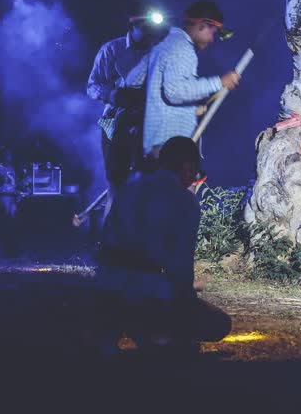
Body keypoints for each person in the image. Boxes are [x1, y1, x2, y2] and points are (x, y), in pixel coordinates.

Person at [96, 136, 231, 351]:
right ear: (187, 168)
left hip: (107, 288)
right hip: (148, 294)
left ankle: (118, 331)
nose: (193, 181)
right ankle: (160, 337)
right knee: (219, 323)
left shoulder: (129, 189)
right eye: (194, 174)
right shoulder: (184, 201)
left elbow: (106, 240)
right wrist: (187, 299)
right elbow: (181, 266)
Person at [123, 0, 240, 159]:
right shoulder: (182, 47)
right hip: (171, 148)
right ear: (201, 25)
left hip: (155, 146)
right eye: (213, 33)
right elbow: (174, 91)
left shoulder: (162, 45)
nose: (212, 40)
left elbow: (132, 80)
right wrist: (219, 82)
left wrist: (190, 108)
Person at [86, 2, 167, 215]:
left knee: (148, 182)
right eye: (146, 28)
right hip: (114, 123)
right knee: (116, 184)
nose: (150, 34)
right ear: (133, 25)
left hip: (147, 125)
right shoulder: (112, 50)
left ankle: (142, 231)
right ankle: (111, 232)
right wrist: (113, 95)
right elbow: (92, 86)